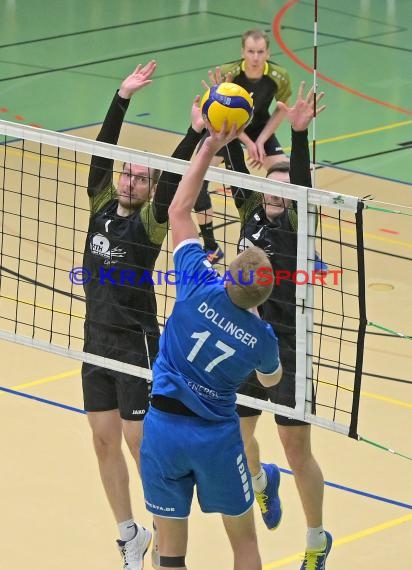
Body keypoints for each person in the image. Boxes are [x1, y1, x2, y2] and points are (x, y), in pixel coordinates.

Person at [140, 119, 283, 570]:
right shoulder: (262, 337)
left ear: (226, 273)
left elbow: (180, 210)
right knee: (243, 543)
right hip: (217, 439)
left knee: (170, 554)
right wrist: (253, 325)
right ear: (262, 299)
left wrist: (209, 145)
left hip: (162, 430)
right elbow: (271, 377)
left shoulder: (198, 283)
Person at [82, 60, 207, 570]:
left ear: (150, 187)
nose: (131, 180)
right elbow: (101, 152)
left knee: (139, 446)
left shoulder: (152, 225)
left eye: (141, 177)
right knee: (103, 441)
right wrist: (122, 96)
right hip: (95, 342)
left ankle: (164, 531)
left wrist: (193, 132)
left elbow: (175, 180)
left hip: (136, 345)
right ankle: (128, 534)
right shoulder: (100, 204)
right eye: (128, 173)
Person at [224, 81, 333, 569]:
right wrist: (221, 131)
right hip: (247, 342)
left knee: (296, 448)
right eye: (271, 180)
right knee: (236, 435)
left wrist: (300, 137)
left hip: (289, 349)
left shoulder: (297, 224)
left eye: (286, 185)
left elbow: (304, 185)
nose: (277, 189)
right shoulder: (252, 212)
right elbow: (229, 166)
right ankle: (262, 482)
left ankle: (315, 540)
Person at [194, 28, 292, 263]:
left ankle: (298, 241)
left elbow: (281, 109)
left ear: (268, 53)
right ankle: (211, 246)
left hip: (259, 128)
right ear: (243, 52)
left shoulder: (279, 76)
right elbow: (217, 113)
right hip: (225, 128)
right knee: (196, 179)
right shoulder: (230, 73)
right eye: (251, 51)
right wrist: (247, 142)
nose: (255, 57)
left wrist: (260, 141)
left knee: (292, 180)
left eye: (260, 52)